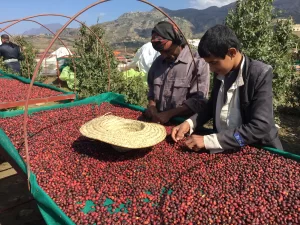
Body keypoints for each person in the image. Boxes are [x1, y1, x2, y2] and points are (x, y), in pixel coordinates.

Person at [171, 24, 283, 152]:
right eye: (208, 64)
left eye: (213, 62)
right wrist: (190, 123)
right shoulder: (221, 72)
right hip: (226, 148)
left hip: (256, 148)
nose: (211, 69)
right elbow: (211, 106)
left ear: (232, 52)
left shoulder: (259, 73)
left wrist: (210, 140)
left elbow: (261, 126)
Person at [145, 21, 210, 124]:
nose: (164, 56)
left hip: (183, 125)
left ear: (178, 42)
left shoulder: (197, 63)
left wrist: (169, 114)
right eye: (161, 52)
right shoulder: (157, 63)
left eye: (168, 51)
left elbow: (199, 101)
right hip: (158, 122)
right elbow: (152, 91)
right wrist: (152, 106)